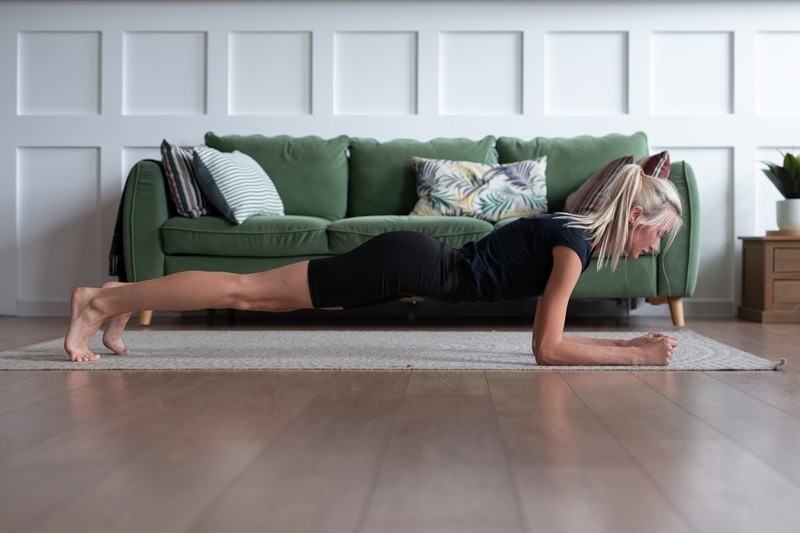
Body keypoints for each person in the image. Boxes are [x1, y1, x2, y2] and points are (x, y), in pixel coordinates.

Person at [65, 163, 682, 365]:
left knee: (252, 293)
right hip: (402, 269)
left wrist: (626, 346)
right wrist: (636, 354)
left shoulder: (572, 233)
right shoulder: (572, 250)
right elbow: (547, 349)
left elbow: (554, 337)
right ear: (635, 218)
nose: (654, 250)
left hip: (407, 266)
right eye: (658, 236)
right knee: (245, 291)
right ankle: (97, 302)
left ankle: (117, 298)